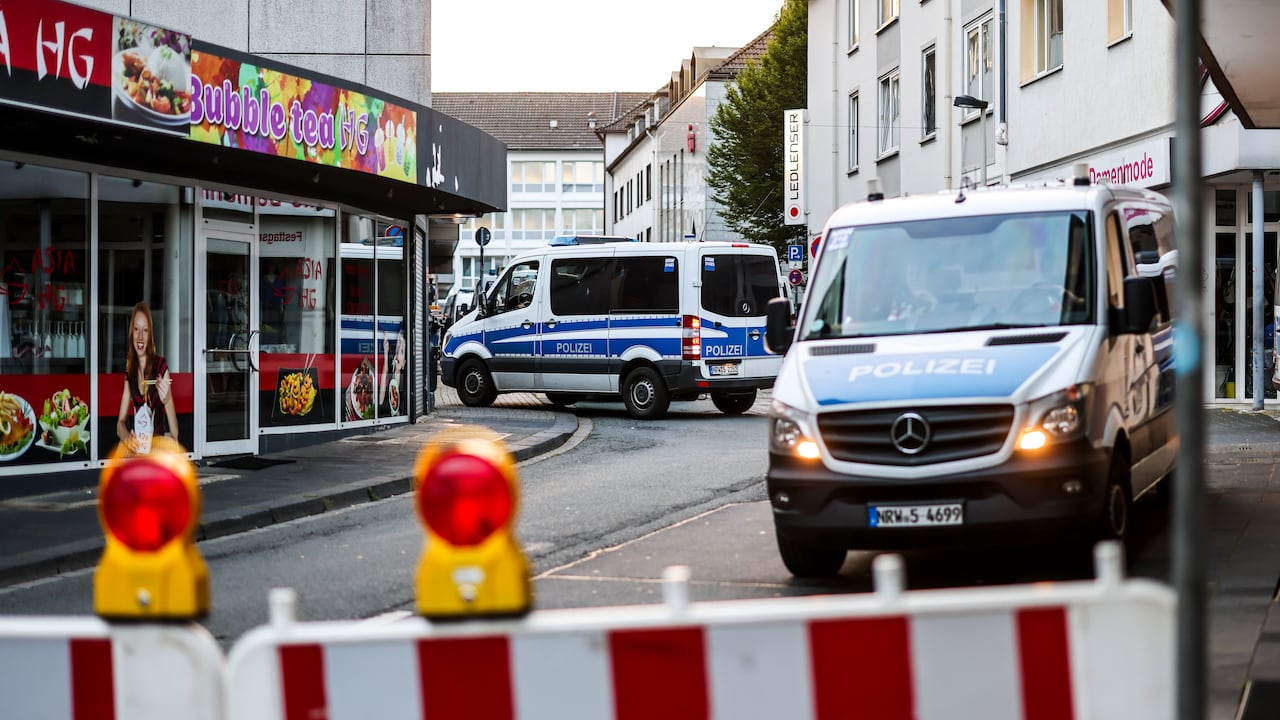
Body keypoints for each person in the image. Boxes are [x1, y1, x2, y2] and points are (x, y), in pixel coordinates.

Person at [115, 301, 179, 454]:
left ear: (150, 334)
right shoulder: (130, 370)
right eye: (136, 329)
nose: (140, 336)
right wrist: (126, 437)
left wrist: (167, 400)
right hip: (139, 444)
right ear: (131, 333)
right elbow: (120, 423)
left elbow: (175, 433)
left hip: (158, 444)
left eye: (145, 330)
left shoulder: (160, 365)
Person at [379, 329, 406, 415]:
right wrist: (386, 353)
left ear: (404, 363)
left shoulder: (404, 389)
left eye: (401, 351)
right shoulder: (389, 380)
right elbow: (380, 401)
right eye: (397, 350)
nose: (397, 355)